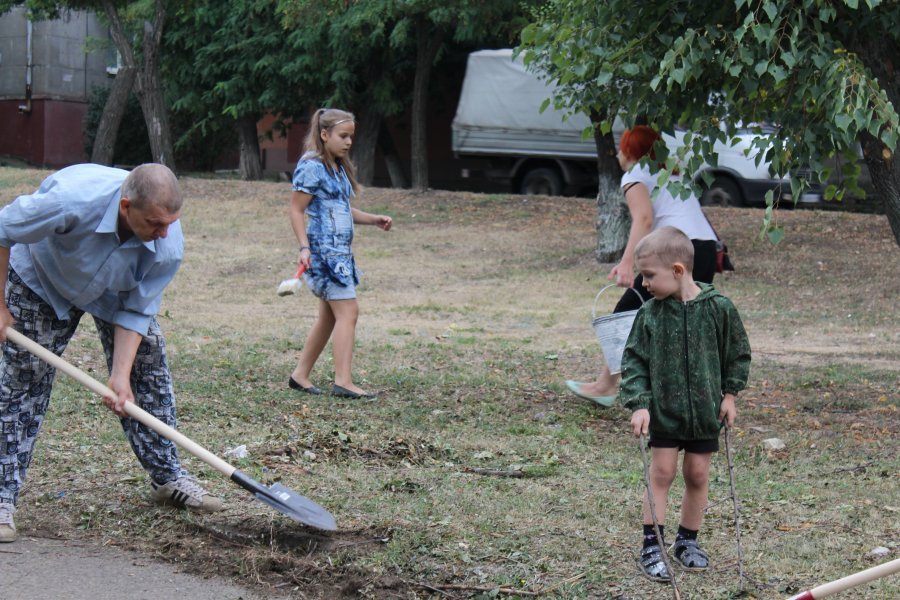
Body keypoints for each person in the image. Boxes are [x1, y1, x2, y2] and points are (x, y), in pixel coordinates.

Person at [0, 163, 223, 544]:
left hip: (114, 290)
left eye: (170, 222)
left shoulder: (166, 242)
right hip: (43, 277)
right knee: (23, 382)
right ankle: (1, 498)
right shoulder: (70, 202)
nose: (164, 232)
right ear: (125, 207)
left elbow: (137, 310)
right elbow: (3, 228)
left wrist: (120, 376)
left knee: (147, 368)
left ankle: (168, 477)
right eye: (155, 223)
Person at [618, 226, 751, 582]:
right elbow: (633, 361)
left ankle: (686, 541)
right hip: (663, 413)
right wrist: (639, 404)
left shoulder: (719, 309)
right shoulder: (650, 315)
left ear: (678, 270)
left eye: (649, 276)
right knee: (662, 473)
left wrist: (730, 395)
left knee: (698, 474)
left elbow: (736, 354)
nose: (644, 284)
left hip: (704, 413)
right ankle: (652, 546)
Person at [566, 125, 719, 405]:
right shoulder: (672, 175)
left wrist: (627, 264)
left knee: (626, 315)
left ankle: (605, 387)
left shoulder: (634, 175)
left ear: (627, 151)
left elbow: (644, 219)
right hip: (705, 248)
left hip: (675, 248)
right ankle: (692, 393)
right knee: (684, 319)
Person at [287, 108, 392, 399]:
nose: (348, 142)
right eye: (342, 136)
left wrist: (373, 219)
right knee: (349, 312)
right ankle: (343, 381)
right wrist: (304, 248)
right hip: (324, 255)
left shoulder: (335, 166)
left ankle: (300, 375)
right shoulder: (312, 166)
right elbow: (296, 209)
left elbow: (341, 208)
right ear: (324, 134)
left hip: (341, 254)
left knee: (330, 316)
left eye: (351, 137)